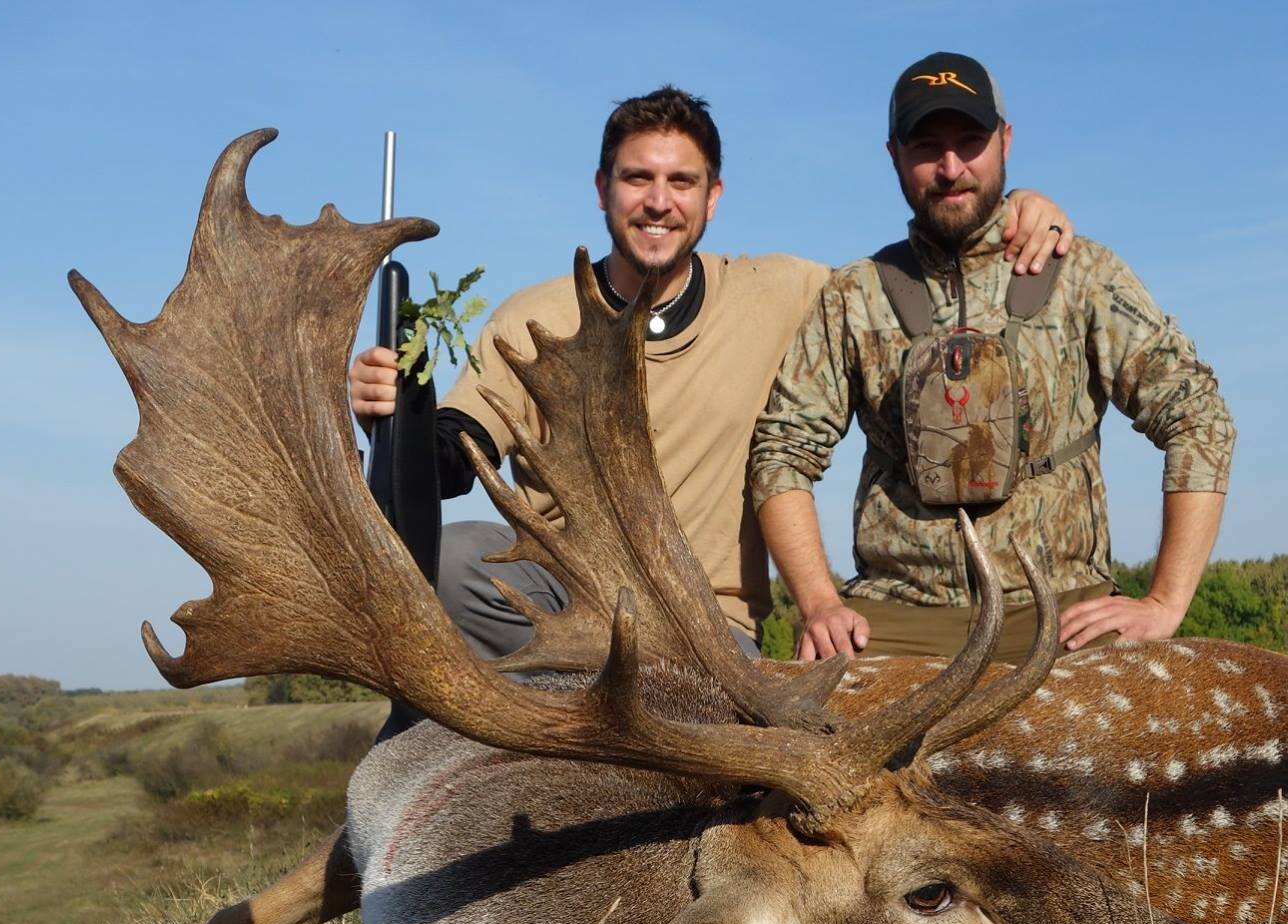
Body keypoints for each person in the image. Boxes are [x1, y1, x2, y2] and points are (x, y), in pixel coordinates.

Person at [349, 85, 1074, 659]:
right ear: (602, 189)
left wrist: (1016, 210)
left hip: (705, 626)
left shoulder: (783, 292)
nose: (658, 201)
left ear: (712, 197)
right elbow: (453, 455)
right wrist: (399, 410)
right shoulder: (532, 317)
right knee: (442, 561)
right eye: (637, 179)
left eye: (680, 182)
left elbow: (899, 293)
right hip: (563, 599)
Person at [749, 52, 1235, 665]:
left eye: (970, 142)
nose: (951, 168)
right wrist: (819, 605)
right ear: (894, 153)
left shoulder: (1082, 273)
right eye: (927, 145)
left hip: (1062, 610)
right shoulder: (855, 294)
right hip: (897, 616)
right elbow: (781, 452)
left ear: (1005, 141)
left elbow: (1199, 417)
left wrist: (1165, 601)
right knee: (811, 742)